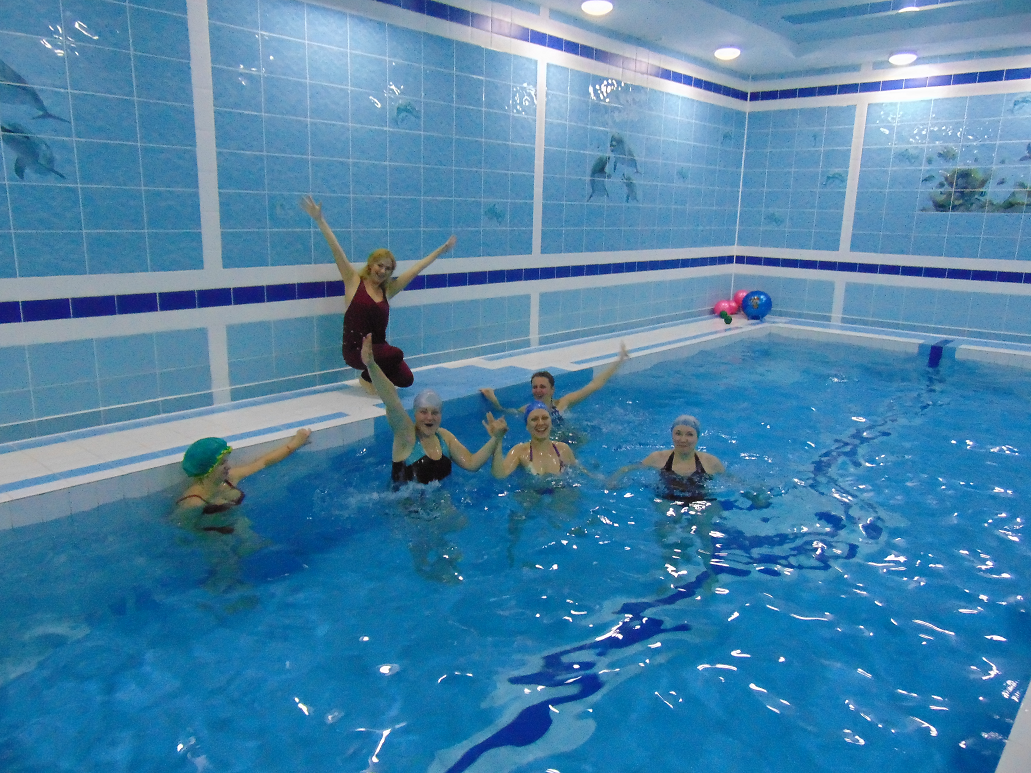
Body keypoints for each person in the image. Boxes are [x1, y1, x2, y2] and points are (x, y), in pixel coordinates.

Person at [301, 194, 456, 392]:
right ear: (371, 265)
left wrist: (441, 250)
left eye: (388, 268)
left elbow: (416, 269)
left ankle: (370, 376)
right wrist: (319, 219)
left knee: (406, 380)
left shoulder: (387, 290)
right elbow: (336, 250)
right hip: (356, 351)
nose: (382, 271)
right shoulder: (353, 282)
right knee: (396, 354)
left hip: (379, 350)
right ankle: (368, 378)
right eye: (379, 265)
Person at [360, 334, 507, 486]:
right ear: (415, 414)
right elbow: (392, 402)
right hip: (405, 501)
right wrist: (371, 365)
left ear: (441, 415)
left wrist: (496, 438)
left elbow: (471, 463)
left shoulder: (445, 438)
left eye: (435, 412)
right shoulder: (407, 437)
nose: (429, 417)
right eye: (423, 412)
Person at [479, 342, 630, 427]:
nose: (538, 390)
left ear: (552, 390)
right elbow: (505, 412)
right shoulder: (526, 409)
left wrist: (619, 360)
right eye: (535, 387)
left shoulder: (564, 403)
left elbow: (594, 385)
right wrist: (494, 400)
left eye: (542, 387)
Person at [175, 429, 311, 518]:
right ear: (207, 470)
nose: (228, 466)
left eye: (226, 461)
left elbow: (263, 462)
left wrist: (295, 444)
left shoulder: (230, 478)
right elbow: (183, 535)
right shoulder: (193, 502)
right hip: (218, 543)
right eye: (222, 463)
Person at [609, 415, 724, 499]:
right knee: (669, 523)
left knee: (702, 524)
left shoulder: (710, 461)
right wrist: (612, 481)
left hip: (702, 499)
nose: (683, 439)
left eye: (689, 434)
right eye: (678, 433)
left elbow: (729, 479)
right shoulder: (658, 458)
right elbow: (627, 469)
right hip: (666, 498)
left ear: (697, 437)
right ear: (672, 435)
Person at [490, 401, 577, 478]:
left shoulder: (563, 449)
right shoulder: (519, 451)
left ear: (551, 422)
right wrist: (498, 439)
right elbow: (500, 475)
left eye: (545, 418)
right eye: (534, 419)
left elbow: (579, 472)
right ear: (527, 426)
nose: (541, 423)